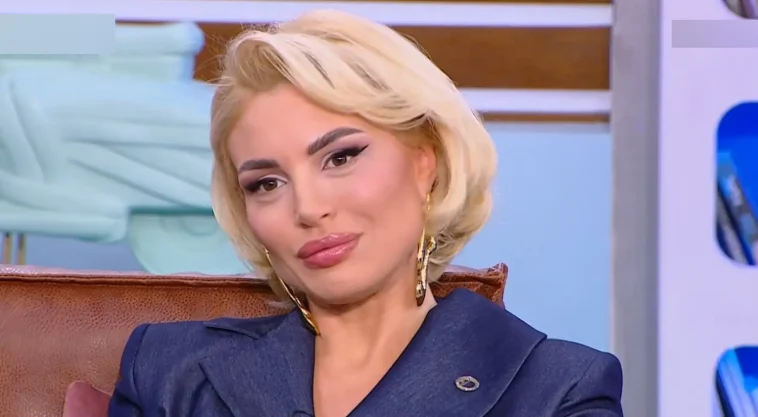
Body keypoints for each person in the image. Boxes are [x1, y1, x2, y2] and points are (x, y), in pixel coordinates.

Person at [108, 9, 623, 417]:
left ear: (425, 163)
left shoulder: (558, 389)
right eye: (267, 183)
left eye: (341, 158)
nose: (309, 209)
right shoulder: (168, 373)